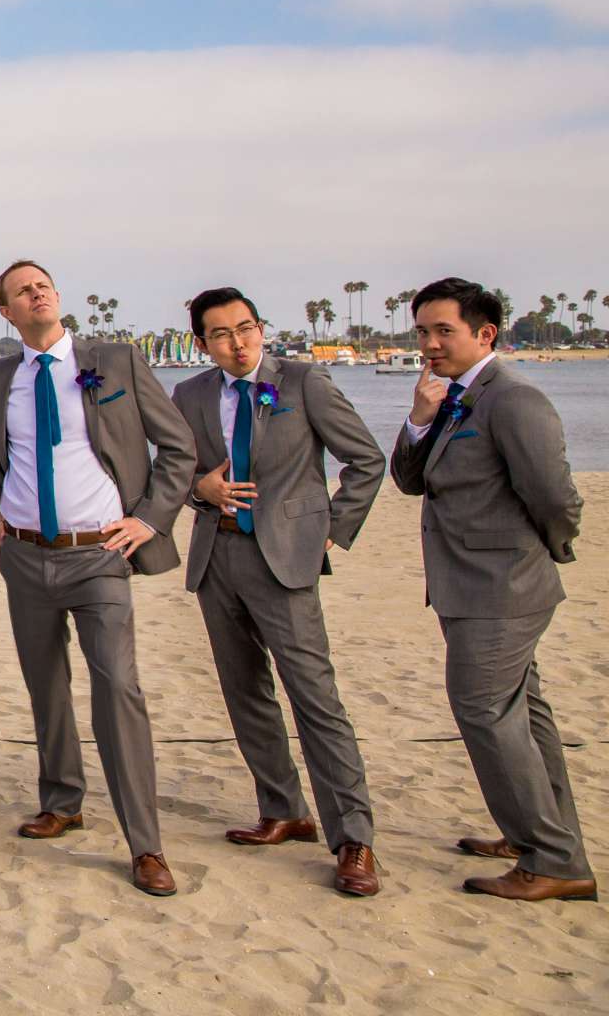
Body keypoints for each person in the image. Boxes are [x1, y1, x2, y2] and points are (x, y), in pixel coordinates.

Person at [0, 260, 192, 897]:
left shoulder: (113, 362)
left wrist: (149, 519)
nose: (37, 293)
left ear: (56, 297)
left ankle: (145, 845)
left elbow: (178, 447)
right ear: (6, 311)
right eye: (22, 291)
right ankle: (62, 800)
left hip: (100, 556)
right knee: (46, 685)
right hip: (26, 557)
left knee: (118, 688)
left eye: (44, 285)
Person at [174, 288, 385, 896]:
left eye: (245, 329)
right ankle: (283, 810)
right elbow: (171, 467)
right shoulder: (189, 395)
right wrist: (198, 491)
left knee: (315, 700)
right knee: (246, 694)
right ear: (202, 343)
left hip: (286, 562)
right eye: (220, 334)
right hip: (216, 558)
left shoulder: (303, 383)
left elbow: (364, 461)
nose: (237, 343)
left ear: (261, 329)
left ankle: (354, 840)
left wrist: (328, 533)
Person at [392, 276, 592, 902]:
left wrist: (548, 553)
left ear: (485, 334)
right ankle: (540, 835)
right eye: (422, 331)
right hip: (467, 586)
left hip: (503, 588)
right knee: (524, 717)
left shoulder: (514, 399)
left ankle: (553, 859)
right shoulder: (452, 397)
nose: (429, 343)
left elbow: (556, 498)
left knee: (483, 711)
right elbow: (409, 481)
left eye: (443, 331)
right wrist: (418, 420)